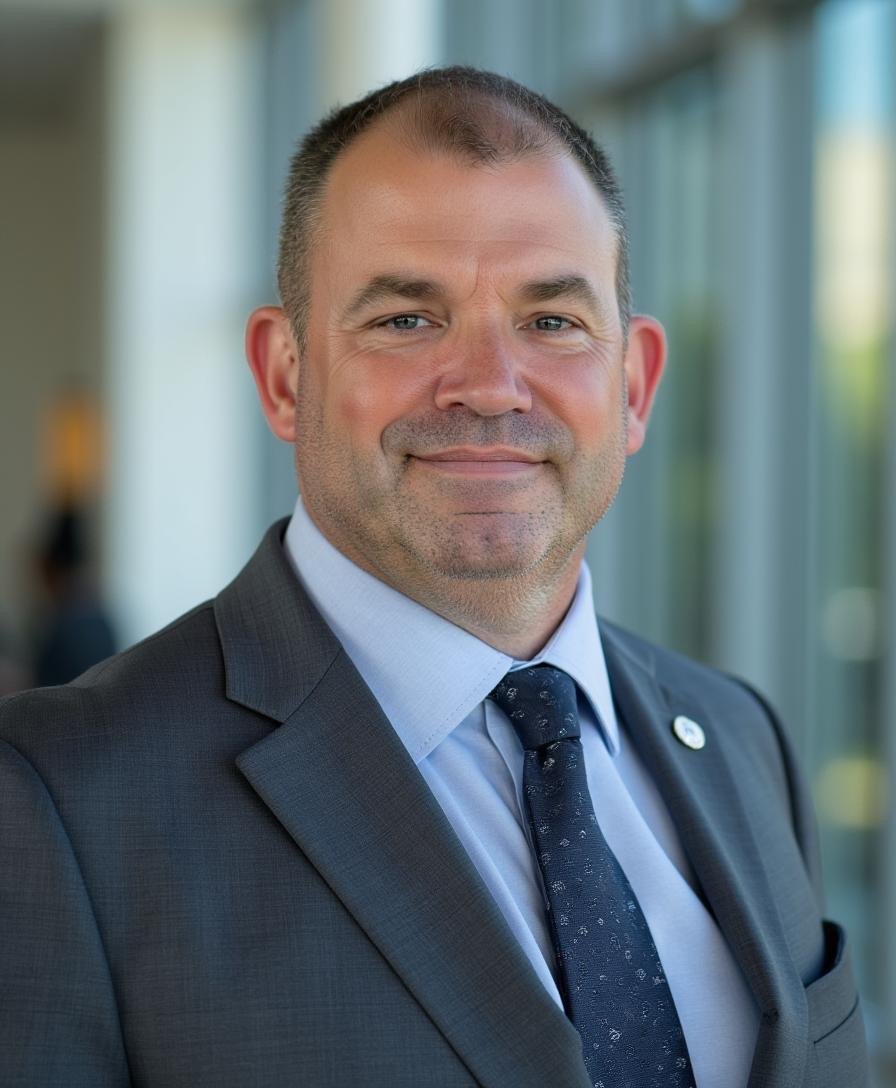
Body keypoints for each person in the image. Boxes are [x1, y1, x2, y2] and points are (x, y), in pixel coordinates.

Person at [0, 67, 868, 1088]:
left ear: (632, 385)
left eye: (551, 321)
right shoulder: (60, 800)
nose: (490, 387)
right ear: (285, 374)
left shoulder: (740, 738)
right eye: (406, 319)